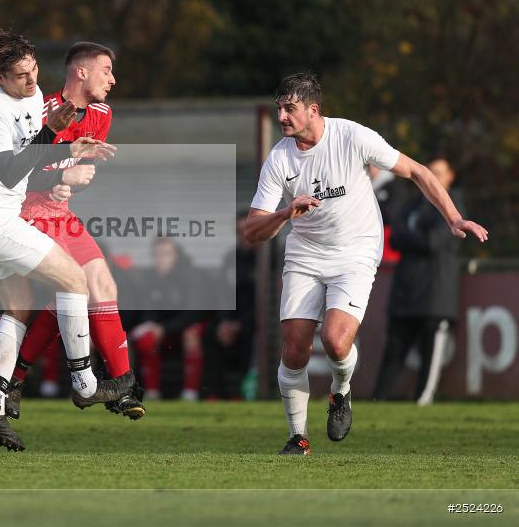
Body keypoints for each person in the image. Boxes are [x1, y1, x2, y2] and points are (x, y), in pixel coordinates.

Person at [244, 72, 487, 455]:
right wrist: (286, 213)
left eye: (289, 109)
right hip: (305, 252)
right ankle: (298, 437)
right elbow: (253, 231)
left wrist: (453, 218)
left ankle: (341, 391)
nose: (282, 117)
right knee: (293, 348)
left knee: (337, 341)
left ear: (313, 110)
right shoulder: (279, 158)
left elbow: (418, 172)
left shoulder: (351, 136)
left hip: (356, 250)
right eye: (279, 109)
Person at [0, 29, 131, 451]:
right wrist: (53, 133)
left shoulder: (29, 95)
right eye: (19, 77)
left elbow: (33, 154)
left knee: (19, 306)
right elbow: (11, 172)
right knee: (74, 281)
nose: (31, 84)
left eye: (33, 72)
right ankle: (86, 383)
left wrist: (70, 148)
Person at [4, 41, 144, 421]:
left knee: (100, 285)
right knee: (74, 286)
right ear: (81, 72)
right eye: (106, 71)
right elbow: (10, 174)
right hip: (25, 212)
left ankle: (119, 385)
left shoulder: (101, 113)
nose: (112, 80)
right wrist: (63, 176)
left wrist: (71, 183)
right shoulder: (39, 111)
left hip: (60, 212)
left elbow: (74, 170)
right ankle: (19, 381)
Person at [373, 157, 461, 405]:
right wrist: (417, 236)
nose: (433, 177)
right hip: (406, 291)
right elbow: (395, 239)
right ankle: (377, 401)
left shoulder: (455, 206)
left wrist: (411, 235)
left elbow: (434, 242)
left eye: (439, 173)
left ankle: (423, 400)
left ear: (450, 176)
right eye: (429, 172)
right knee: (394, 350)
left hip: (436, 293)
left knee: (431, 351)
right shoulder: (411, 205)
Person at [129, 237, 204, 400]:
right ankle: (152, 391)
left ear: (175, 255)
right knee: (145, 337)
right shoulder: (149, 278)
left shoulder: (191, 276)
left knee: (191, 334)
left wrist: (164, 328)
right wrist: (152, 326)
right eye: (157, 255)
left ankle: (190, 393)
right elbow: (146, 309)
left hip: (186, 326)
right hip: (163, 330)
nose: (160, 259)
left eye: (165, 254)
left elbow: (193, 313)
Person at [202, 212, 256, 399]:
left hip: (254, 320)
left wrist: (239, 324)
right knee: (211, 333)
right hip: (232, 318)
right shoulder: (230, 259)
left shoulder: (268, 259)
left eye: (247, 231)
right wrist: (225, 322)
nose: (243, 236)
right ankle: (216, 392)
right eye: (239, 232)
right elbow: (223, 294)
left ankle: (242, 392)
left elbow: (262, 303)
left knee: (250, 334)